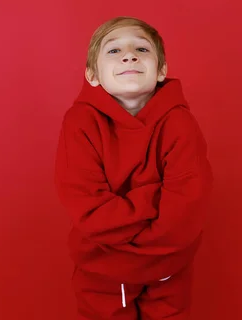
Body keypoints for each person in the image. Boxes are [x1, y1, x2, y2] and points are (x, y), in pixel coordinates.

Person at [55, 16, 213, 319]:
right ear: (92, 75)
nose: (129, 55)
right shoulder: (79, 123)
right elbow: (88, 209)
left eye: (142, 49)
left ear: (161, 71)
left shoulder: (179, 122)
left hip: (169, 266)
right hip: (101, 268)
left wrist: (131, 212)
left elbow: (187, 210)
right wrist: (153, 200)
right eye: (114, 51)